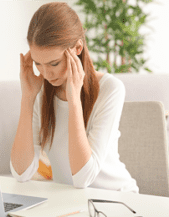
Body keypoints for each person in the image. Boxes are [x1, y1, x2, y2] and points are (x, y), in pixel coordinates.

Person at [10, 2, 139, 193]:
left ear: (77, 48)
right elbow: (21, 173)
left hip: (116, 199)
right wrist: (27, 98)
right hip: (71, 202)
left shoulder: (110, 89)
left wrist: (73, 99)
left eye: (54, 63)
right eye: (38, 63)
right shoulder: (41, 92)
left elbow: (83, 178)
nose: (46, 74)